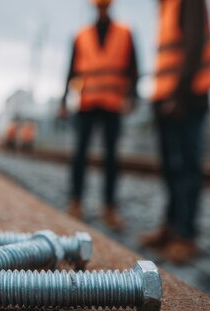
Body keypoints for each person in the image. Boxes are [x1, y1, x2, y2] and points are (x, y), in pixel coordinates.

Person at [140, 0, 210, 263]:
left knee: (187, 167)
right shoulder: (165, 6)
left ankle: (186, 234)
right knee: (171, 167)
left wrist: (178, 94)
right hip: (167, 98)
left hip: (186, 98)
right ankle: (170, 227)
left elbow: (194, 45)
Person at [59, 0, 138, 231]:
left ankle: (109, 207)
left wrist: (132, 96)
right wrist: (65, 99)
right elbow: (71, 69)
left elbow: (133, 68)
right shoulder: (81, 35)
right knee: (80, 153)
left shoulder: (125, 33)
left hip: (113, 103)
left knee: (111, 156)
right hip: (87, 102)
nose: (102, 8)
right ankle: (76, 201)